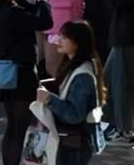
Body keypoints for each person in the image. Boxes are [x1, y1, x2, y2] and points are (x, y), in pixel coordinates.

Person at [0, 0, 53, 165]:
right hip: (22, 75)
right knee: (21, 127)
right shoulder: (14, 13)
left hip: (6, 73)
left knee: (12, 127)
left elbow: (21, 13)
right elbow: (45, 22)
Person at [35, 21, 107, 165]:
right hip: (73, 142)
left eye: (65, 37)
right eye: (60, 35)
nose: (58, 40)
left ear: (78, 42)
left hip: (75, 144)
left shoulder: (82, 75)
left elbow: (74, 115)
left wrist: (49, 98)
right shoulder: (76, 66)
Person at [102, 0, 134, 139]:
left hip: (126, 36)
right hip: (123, 36)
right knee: (109, 78)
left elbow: (116, 3)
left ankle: (124, 127)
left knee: (120, 83)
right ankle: (116, 124)